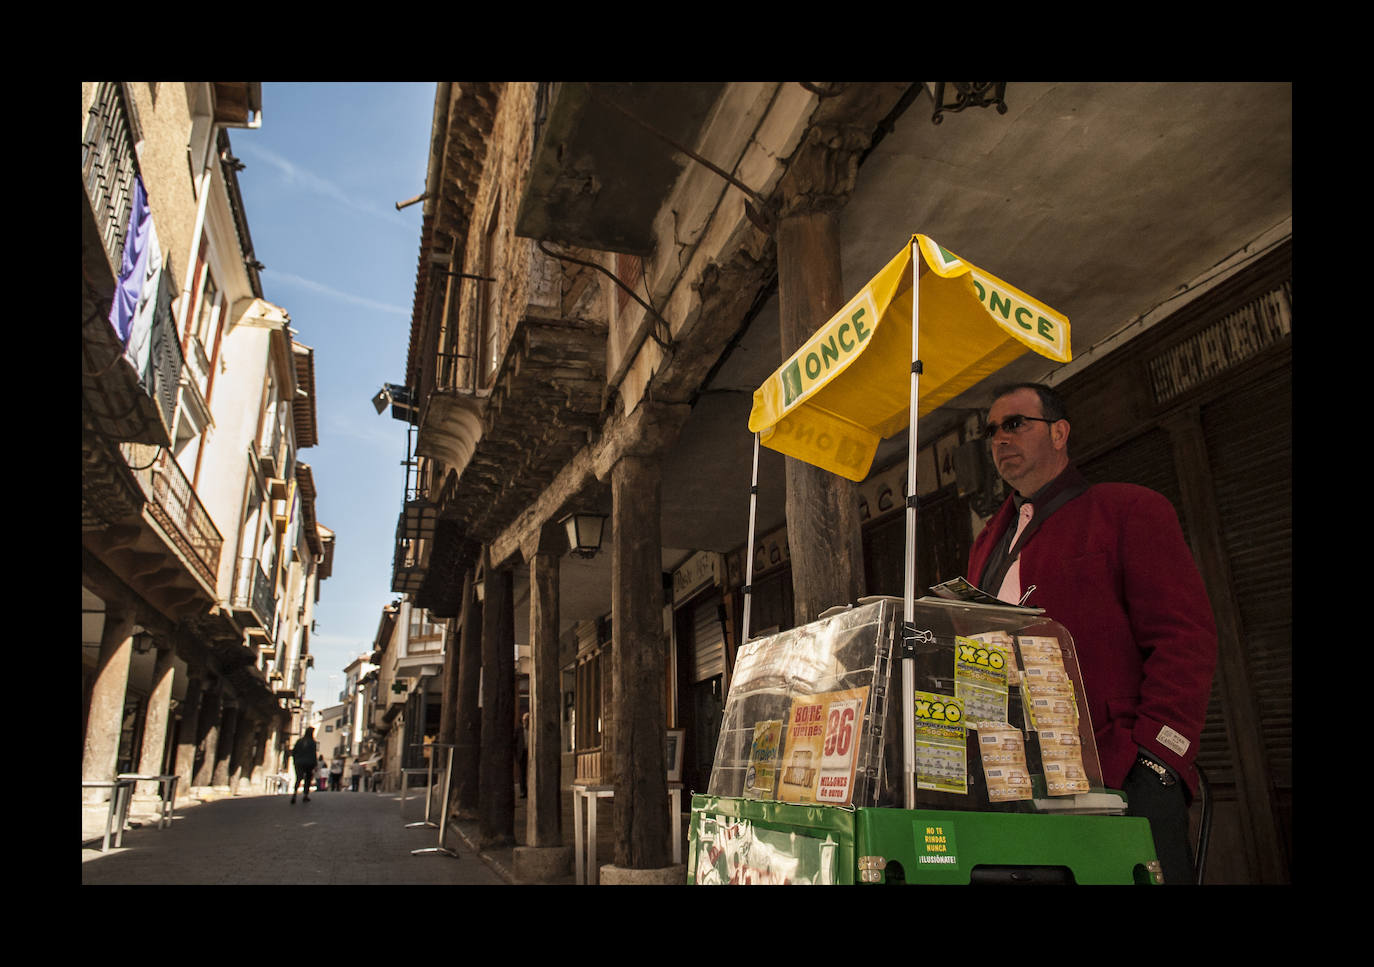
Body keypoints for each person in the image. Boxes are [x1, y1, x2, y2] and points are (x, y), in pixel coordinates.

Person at [966, 382, 1217, 885]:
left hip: (1119, 770)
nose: (1000, 438)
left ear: (1059, 433)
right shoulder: (986, 545)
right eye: (992, 430)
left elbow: (1184, 637)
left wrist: (1158, 758)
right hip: (1010, 783)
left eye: (1016, 423)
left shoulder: (1129, 509)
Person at [290, 728, 318, 804]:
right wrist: (315, 764)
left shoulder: (299, 741)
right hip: (309, 763)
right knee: (308, 779)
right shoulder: (312, 742)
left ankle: (294, 794)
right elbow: (314, 754)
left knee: (298, 778)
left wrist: (295, 761)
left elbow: (294, 752)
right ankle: (305, 795)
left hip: (299, 762)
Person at [515, 712, 530, 799]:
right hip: (522, 753)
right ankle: (523, 791)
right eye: (525, 720)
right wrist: (516, 754)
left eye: (528, 720)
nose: (526, 722)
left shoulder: (532, 729)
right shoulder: (519, 730)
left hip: (530, 753)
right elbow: (515, 742)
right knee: (522, 773)